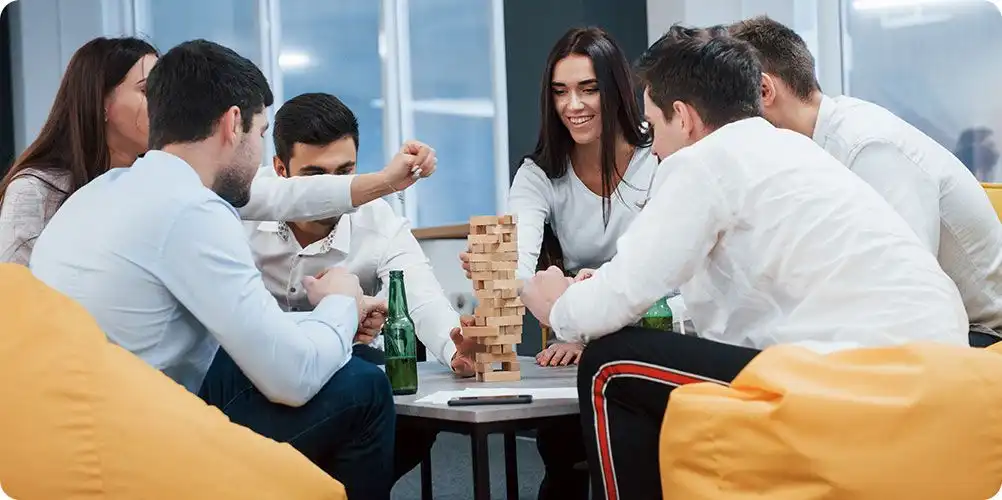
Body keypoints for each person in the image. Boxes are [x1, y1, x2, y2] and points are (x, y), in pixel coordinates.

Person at [521, 26, 969, 499]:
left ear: (684, 117)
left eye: (653, 126)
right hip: (945, 373)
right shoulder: (793, 151)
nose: (652, 147)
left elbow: (622, 295)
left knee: (610, 363)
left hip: (859, 380)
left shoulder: (701, 164)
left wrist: (558, 308)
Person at [29, 40, 396, 500]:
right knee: (365, 387)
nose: (260, 156)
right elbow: (292, 379)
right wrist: (342, 299)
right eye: (261, 133)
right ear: (232, 123)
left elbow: (239, 324)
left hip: (61, 429)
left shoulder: (101, 193)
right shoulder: (192, 210)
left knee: (348, 356)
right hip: (141, 448)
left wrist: (329, 319)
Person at [0, 37, 435, 267]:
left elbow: (280, 195)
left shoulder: (161, 177)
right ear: (102, 105)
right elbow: (19, 308)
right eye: (149, 90)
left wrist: (385, 182)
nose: (164, 100)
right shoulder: (38, 190)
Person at [728, 16, 1002, 347]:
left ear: (763, 89)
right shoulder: (816, 148)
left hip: (980, 334)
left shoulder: (868, 146)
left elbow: (904, 289)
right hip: (931, 324)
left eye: (731, 106)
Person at [250, 91, 480, 481]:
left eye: (345, 172)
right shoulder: (242, 207)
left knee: (392, 392)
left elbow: (420, 297)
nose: (332, 190)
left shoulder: (378, 221)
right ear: (279, 168)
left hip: (347, 384)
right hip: (257, 379)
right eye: (314, 176)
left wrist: (453, 344)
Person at [462, 27, 658, 371]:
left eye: (589, 89)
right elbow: (518, 270)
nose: (573, 105)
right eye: (560, 92)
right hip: (576, 333)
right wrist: (495, 266)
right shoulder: (538, 174)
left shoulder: (657, 152)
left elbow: (666, 268)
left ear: (616, 90)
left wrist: (579, 309)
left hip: (657, 330)